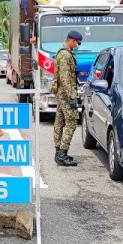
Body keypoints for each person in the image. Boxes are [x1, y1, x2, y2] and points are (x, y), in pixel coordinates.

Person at [52, 30, 83, 167]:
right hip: (66, 95)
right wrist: (72, 97)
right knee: (71, 123)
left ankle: (58, 152)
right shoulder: (65, 55)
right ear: (71, 40)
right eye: (77, 42)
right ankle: (62, 154)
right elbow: (64, 78)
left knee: (59, 122)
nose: (77, 45)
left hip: (61, 94)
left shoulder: (63, 53)